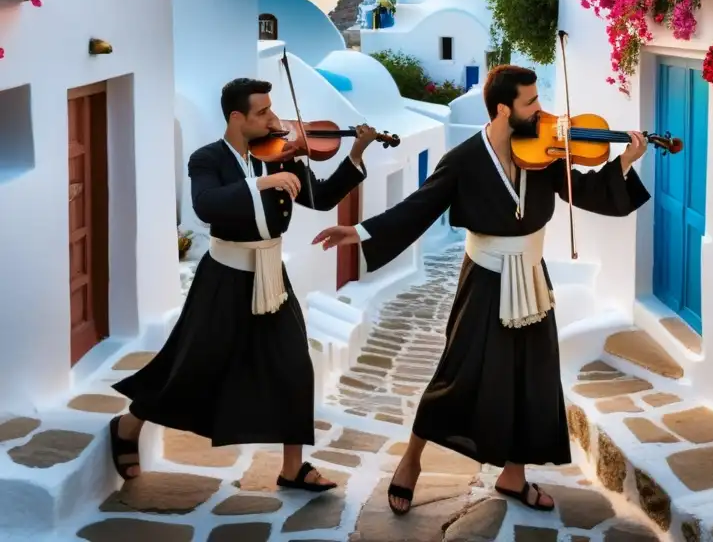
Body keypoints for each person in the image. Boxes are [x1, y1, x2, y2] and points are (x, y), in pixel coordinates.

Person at [311, 65, 651, 514]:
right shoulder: (465, 159)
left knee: (533, 376)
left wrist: (623, 163)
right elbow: (421, 206)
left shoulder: (545, 152)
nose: (542, 110)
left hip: (531, 275)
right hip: (485, 278)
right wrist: (361, 232)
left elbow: (583, 190)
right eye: (532, 103)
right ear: (504, 109)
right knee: (458, 371)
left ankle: (515, 476)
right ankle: (411, 460)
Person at [109, 77, 376, 492]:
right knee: (192, 362)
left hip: (271, 275)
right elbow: (205, 204)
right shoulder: (207, 159)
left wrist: (356, 154)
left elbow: (321, 198)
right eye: (263, 112)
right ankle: (128, 424)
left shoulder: (280, 154)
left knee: (294, 366)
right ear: (237, 118)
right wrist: (259, 184)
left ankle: (292, 467)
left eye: (272, 110)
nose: (274, 119)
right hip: (224, 276)